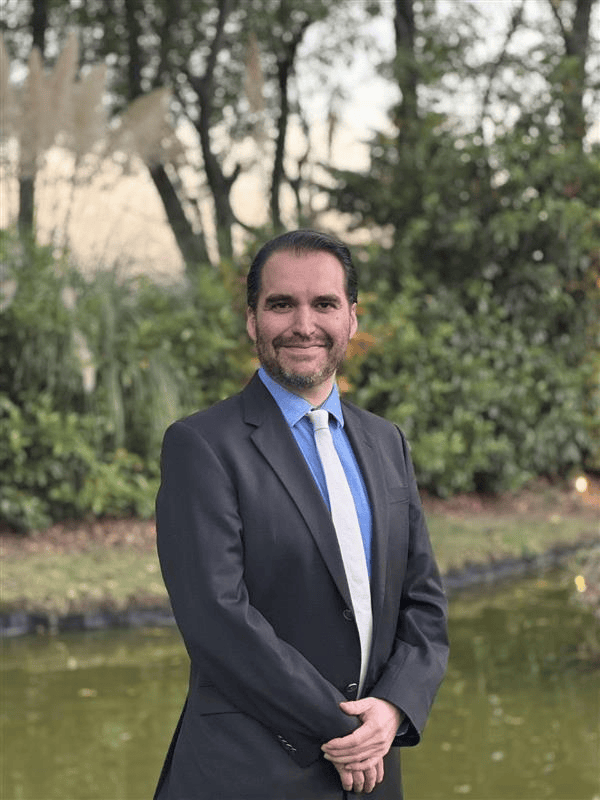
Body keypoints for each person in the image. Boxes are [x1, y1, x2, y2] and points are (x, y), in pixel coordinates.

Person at [154, 230, 449, 799]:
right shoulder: (201, 445)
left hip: (374, 770)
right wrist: (343, 729)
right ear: (252, 320)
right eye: (282, 304)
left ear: (352, 319)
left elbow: (424, 604)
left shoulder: (387, 442)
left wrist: (393, 708)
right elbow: (217, 618)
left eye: (325, 304)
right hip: (249, 773)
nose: (303, 324)